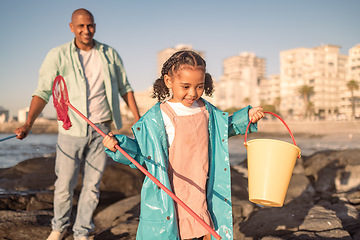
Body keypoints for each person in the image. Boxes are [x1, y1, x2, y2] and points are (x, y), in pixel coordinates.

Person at [102, 50, 264, 240]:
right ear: (169, 81)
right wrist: (118, 146)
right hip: (172, 188)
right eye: (185, 86)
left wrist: (246, 117)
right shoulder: (158, 117)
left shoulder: (207, 111)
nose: (193, 93)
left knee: (206, 228)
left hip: (202, 184)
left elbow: (225, 128)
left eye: (199, 86)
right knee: (176, 230)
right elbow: (141, 153)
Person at [15, 8, 140, 240]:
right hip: (70, 130)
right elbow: (43, 91)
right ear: (72, 27)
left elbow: (126, 87)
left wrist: (137, 120)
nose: (86, 30)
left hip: (101, 129)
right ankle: (59, 227)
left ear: (95, 26)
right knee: (64, 185)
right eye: (81, 26)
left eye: (90, 25)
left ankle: (82, 231)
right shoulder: (58, 55)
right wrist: (28, 123)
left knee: (93, 187)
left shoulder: (109, 53)